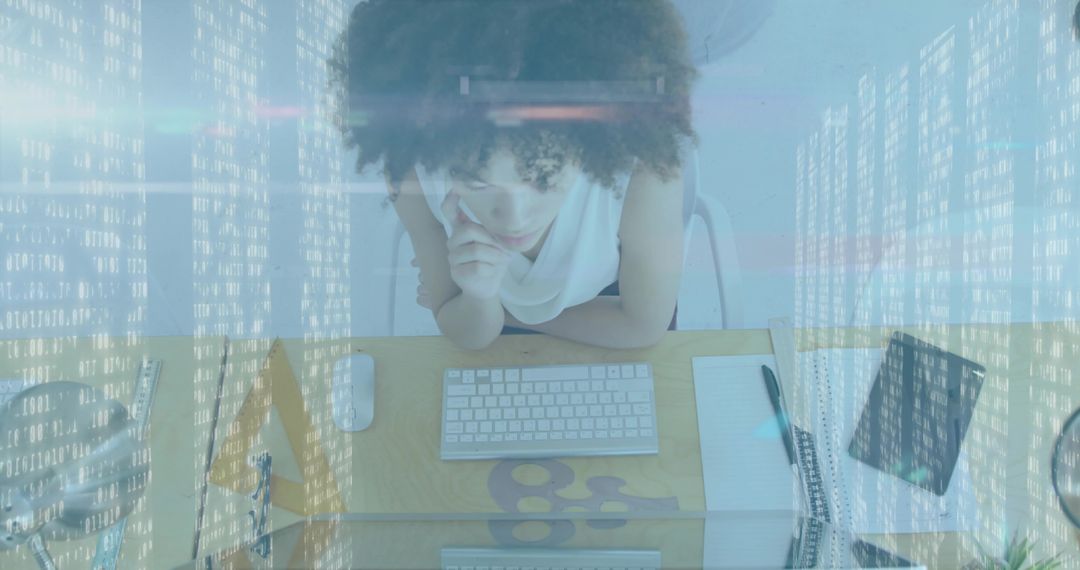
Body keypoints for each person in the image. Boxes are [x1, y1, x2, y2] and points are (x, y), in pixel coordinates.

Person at [330, 0, 699, 350]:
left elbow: (643, 326)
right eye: (478, 181)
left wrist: (511, 315)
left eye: (543, 177)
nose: (514, 219)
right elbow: (467, 334)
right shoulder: (411, 168)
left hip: (612, 300)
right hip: (493, 311)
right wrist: (480, 295)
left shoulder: (642, 169)